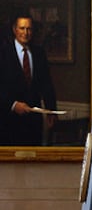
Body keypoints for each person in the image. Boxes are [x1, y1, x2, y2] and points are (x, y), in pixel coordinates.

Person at [0, 13, 57, 145]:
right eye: (22, 28)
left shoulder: (39, 53)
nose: (25, 33)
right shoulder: (3, 53)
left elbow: (47, 84)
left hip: (33, 122)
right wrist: (13, 105)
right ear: (15, 30)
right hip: (8, 122)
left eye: (29, 29)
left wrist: (51, 111)